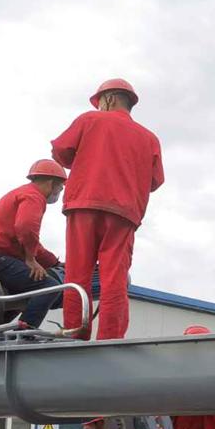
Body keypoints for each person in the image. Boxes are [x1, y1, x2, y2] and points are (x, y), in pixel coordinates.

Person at [51, 78, 164, 340]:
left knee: (77, 274)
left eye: (100, 101)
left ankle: (75, 333)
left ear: (109, 98)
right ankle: (110, 339)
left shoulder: (89, 120)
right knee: (114, 277)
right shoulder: (150, 139)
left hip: (84, 204)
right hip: (123, 213)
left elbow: (61, 151)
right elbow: (155, 181)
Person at [0, 160, 66, 328]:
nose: (59, 192)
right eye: (60, 188)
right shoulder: (34, 196)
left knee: (20, 293)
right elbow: (26, 228)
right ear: (51, 183)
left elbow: (29, 241)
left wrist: (54, 263)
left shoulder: (22, 193)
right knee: (49, 287)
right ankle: (24, 333)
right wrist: (30, 259)